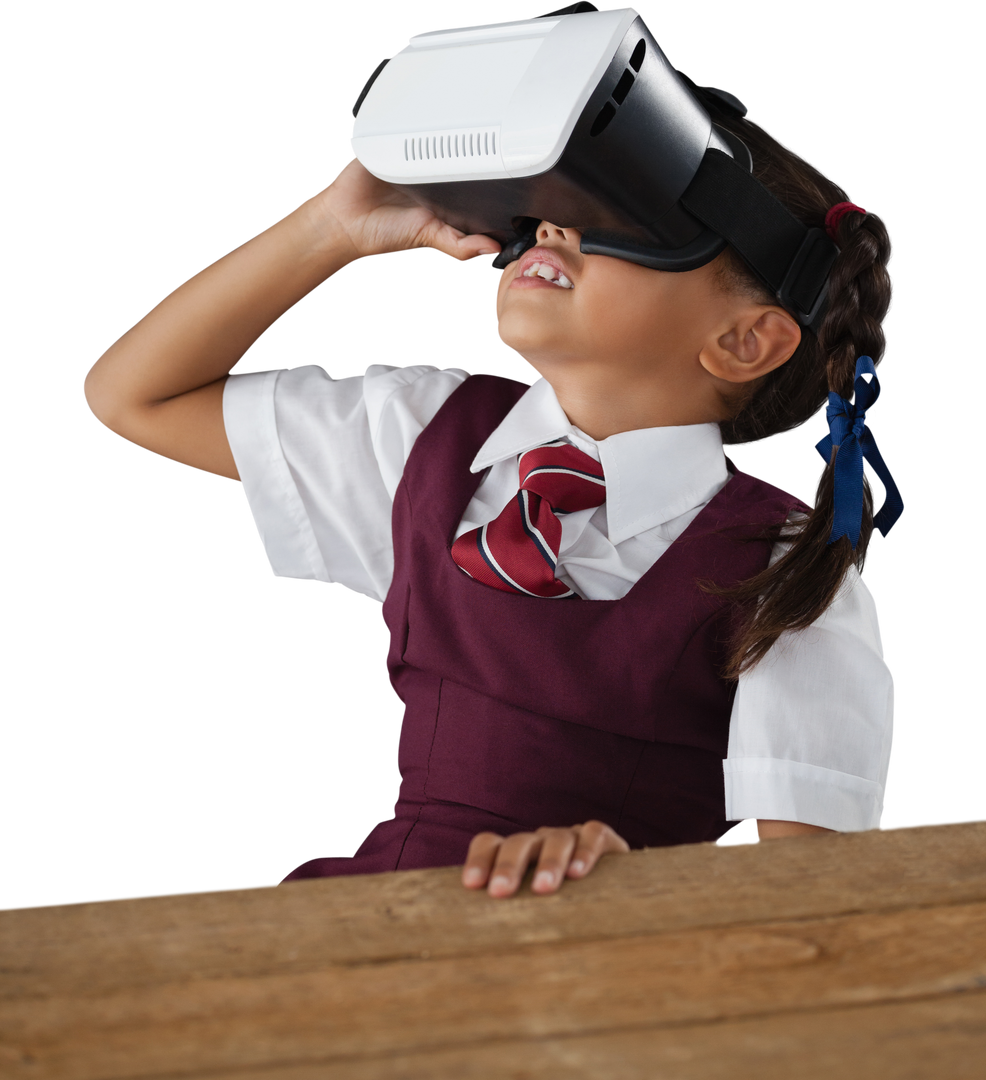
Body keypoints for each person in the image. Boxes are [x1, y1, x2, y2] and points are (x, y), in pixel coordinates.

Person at [81, 92, 900, 901]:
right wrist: (331, 229)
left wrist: (641, 887)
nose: (553, 227)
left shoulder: (791, 572)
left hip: (600, 989)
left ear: (746, 340)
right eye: (551, 204)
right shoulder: (425, 434)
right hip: (344, 928)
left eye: (625, 217)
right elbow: (132, 398)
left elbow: (808, 904)